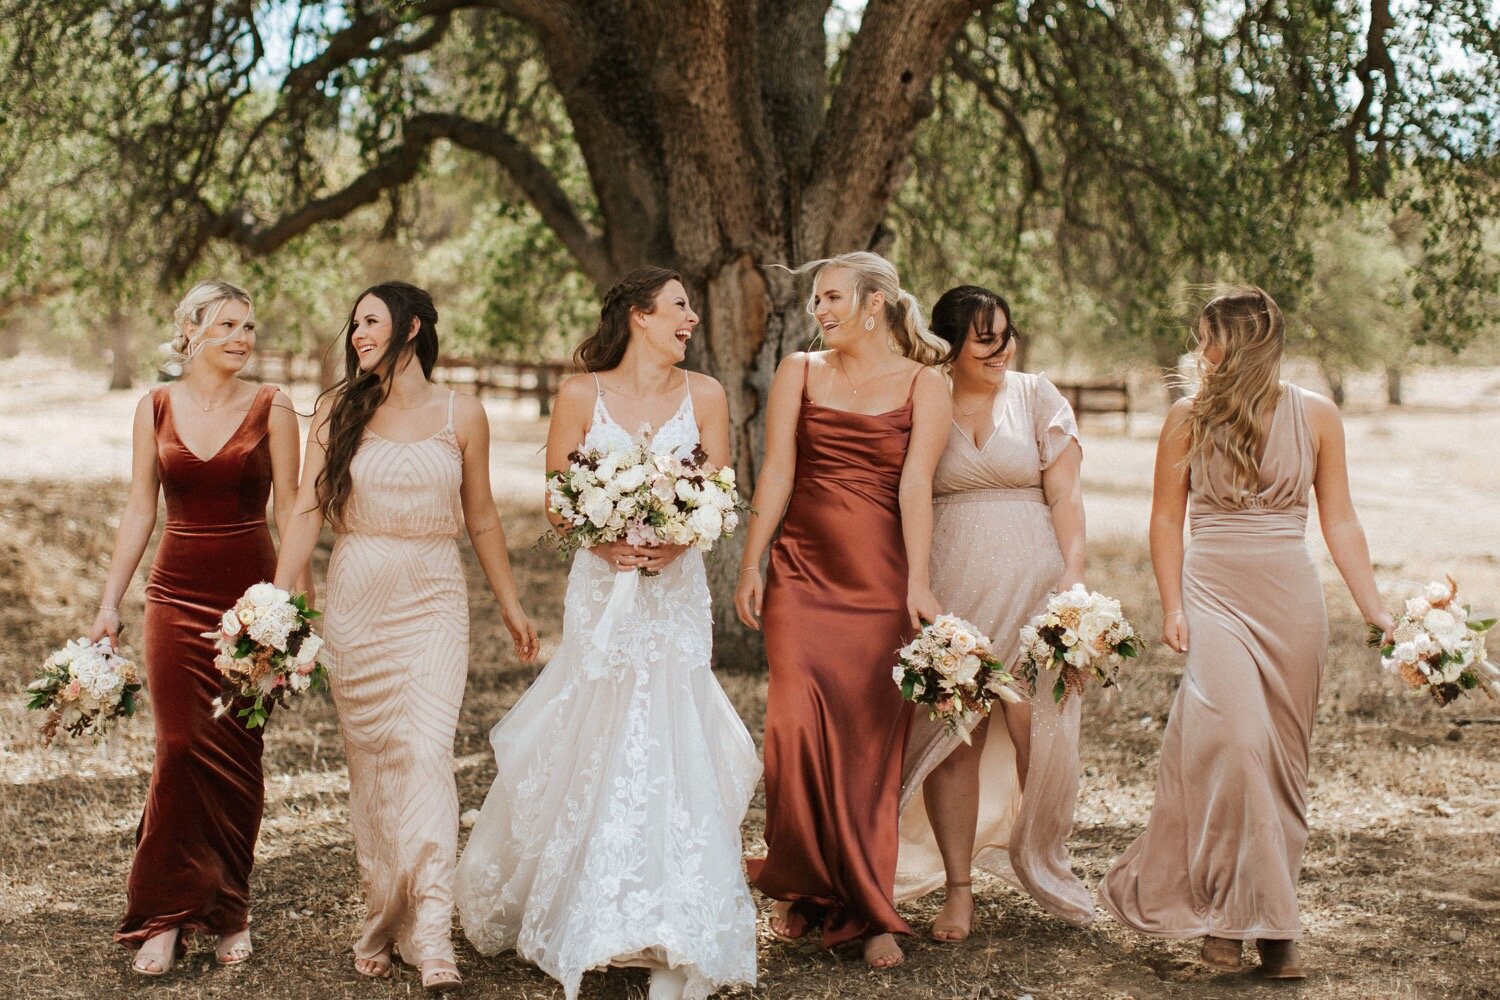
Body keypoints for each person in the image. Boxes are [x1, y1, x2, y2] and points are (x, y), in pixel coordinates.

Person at [454, 267, 759, 1000]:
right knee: (600, 723)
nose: (691, 319)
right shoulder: (579, 393)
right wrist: (604, 543)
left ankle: (669, 908)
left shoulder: (708, 395)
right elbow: (560, 498)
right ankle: (585, 902)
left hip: (675, 589)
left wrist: (679, 542)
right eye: (680, 306)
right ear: (638, 314)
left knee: (671, 720)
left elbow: (720, 490)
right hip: (602, 586)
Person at [1097, 286, 1396, 979]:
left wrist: (1375, 607)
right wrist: (1172, 604)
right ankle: (1232, 934)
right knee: (1234, 746)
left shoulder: (1317, 416)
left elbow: (1341, 520)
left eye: (1208, 337)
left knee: (1283, 767)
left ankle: (1272, 933)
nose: (1200, 351)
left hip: (1290, 597)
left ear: (1240, 344)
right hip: (1215, 594)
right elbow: (1167, 520)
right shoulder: (1186, 418)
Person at [271, 281, 537, 992]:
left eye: (371, 321)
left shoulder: (464, 414)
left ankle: (432, 931)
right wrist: (274, 603)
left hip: (433, 601)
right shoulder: (336, 409)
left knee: (424, 755)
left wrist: (509, 604)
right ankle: (385, 912)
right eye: (353, 324)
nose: (357, 334)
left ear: (412, 327)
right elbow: (305, 509)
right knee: (376, 770)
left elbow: (481, 516)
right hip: (357, 601)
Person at [734, 251, 951, 970]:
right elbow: (778, 469)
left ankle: (866, 904)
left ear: (874, 305)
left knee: (866, 744)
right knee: (794, 729)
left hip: (880, 581)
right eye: (817, 302)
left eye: (831, 299)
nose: (819, 312)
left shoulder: (927, 384)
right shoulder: (799, 369)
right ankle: (805, 886)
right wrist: (753, 559)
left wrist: (918, 582)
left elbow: (916, 485)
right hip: (802, 572)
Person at [91, 280, 303, 974]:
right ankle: (166, 914)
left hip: (252, 601)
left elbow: (294, 512)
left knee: (239, 756)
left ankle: (230, 908)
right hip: (174, 594)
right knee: (179, 747)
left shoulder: (274, 407)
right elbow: (137, 511)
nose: (243, 337)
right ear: (190, 330)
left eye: (249, 326)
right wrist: (108, 604)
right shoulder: (154, 406)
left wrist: (287, 610)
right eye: (228, 325)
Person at [896, 285, 1094, 940]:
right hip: (954, 587)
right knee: (955, 735)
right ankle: (958, 890)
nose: (1003, 348)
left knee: (1036, 727)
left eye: (1007, 334)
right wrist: (917, 581)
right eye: (987, 338)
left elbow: (1064, 492)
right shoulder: (926, 395)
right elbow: (913, 487)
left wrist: (1072, 573)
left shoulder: (1037, 394)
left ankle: (1042, 859)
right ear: (951, 345)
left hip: (1033, 582)